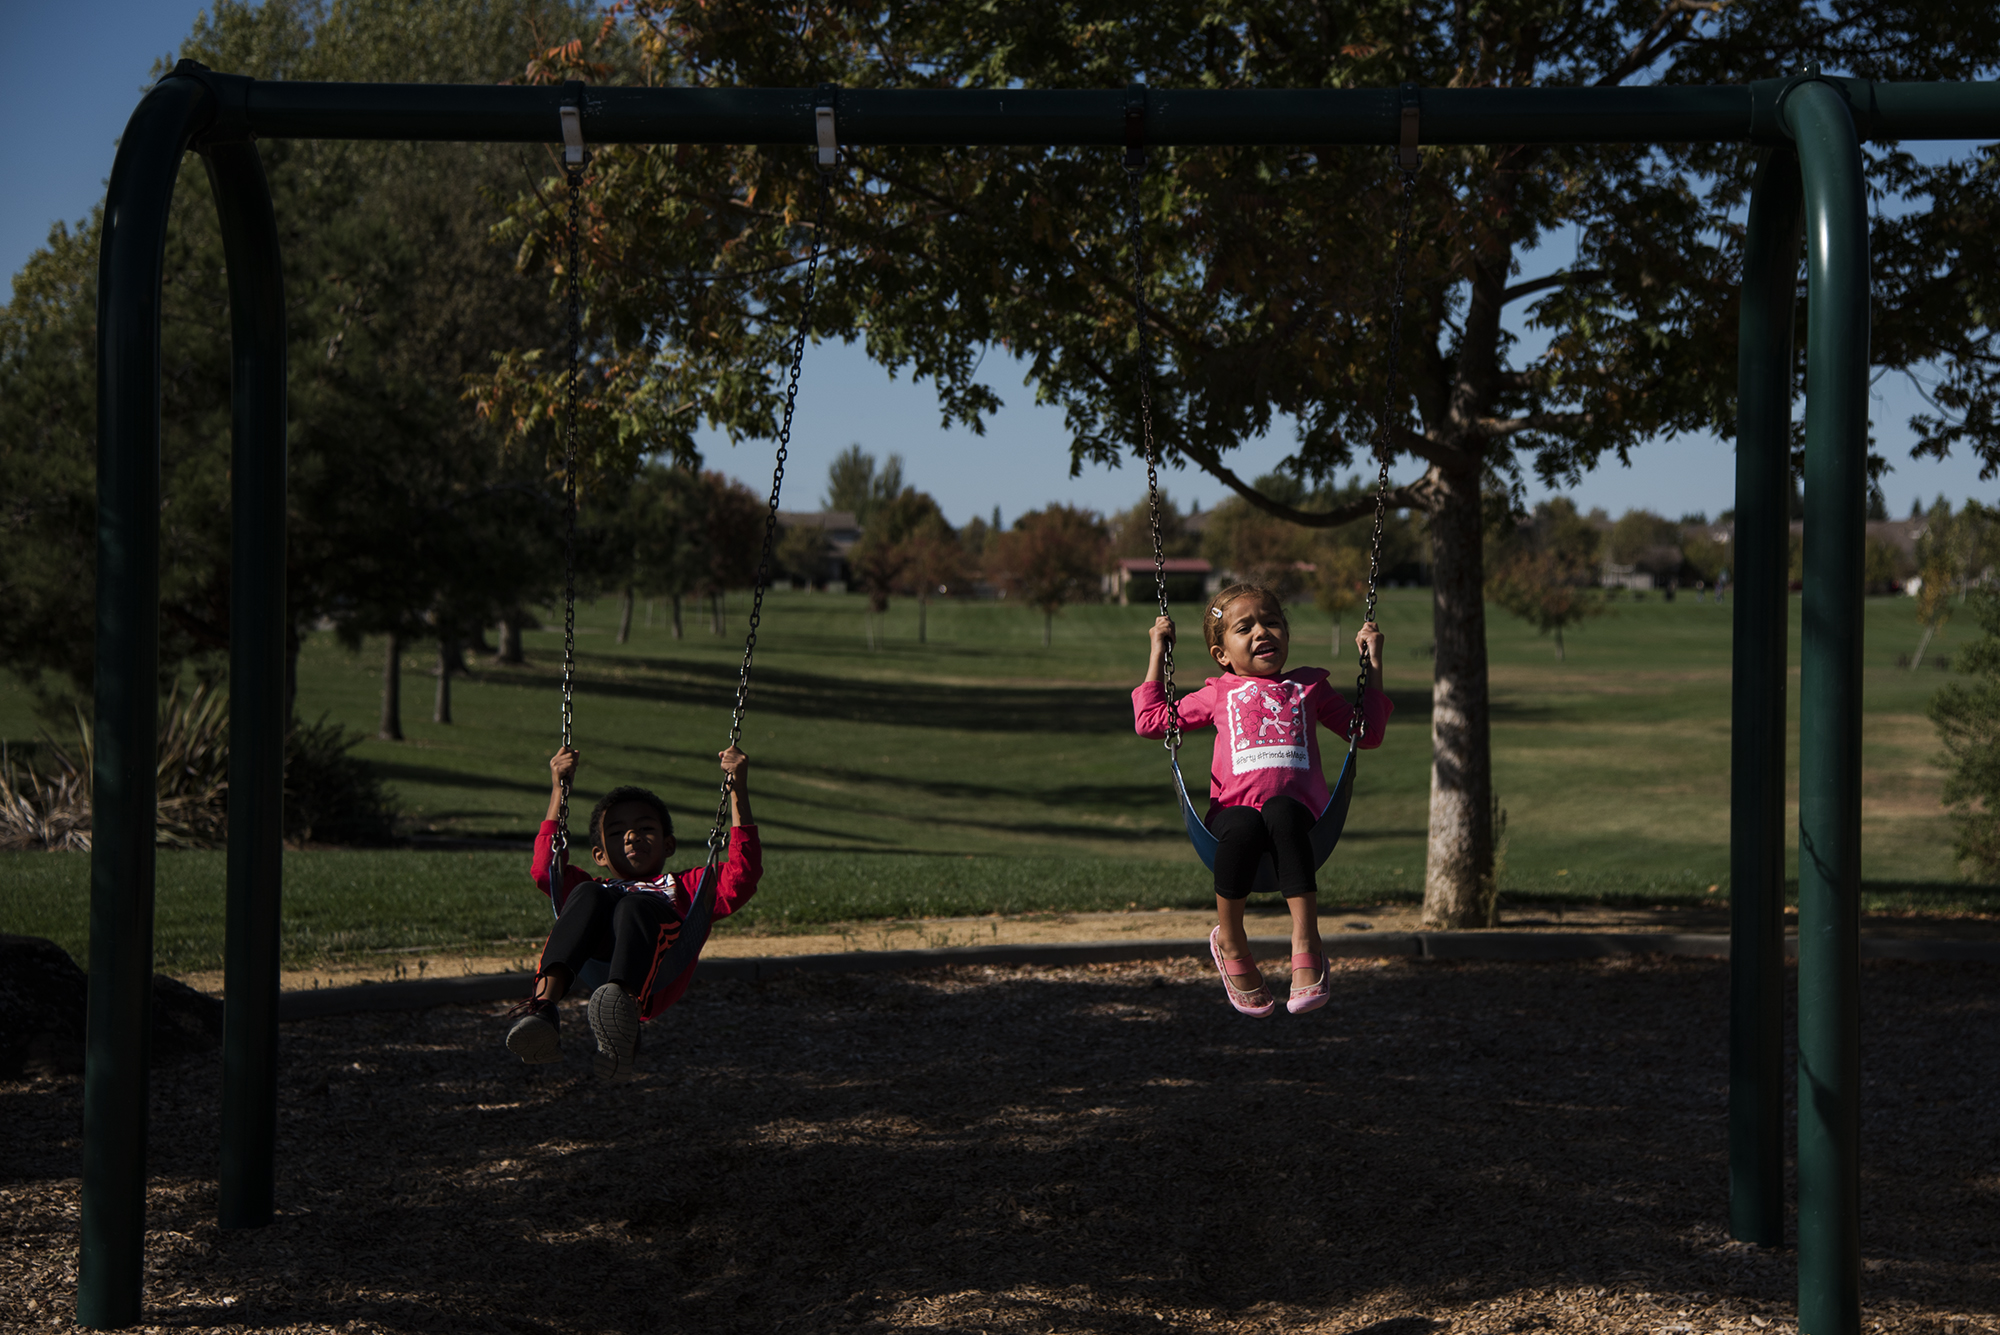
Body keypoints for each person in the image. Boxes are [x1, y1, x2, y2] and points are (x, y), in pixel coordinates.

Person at [1133, 583, 1392, 1018]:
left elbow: (1365, 733)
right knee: (1243, 823)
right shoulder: (1219, 691)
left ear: (1287, 636)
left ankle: (1306, 940)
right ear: (1221, 654)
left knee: (1279, 811)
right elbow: (1151, 721)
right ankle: (1231, 940)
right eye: (1245, 627)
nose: (1262, 632)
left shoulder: (1310, 687)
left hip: (1300, 823)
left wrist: (1374, 660)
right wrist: (1159, 650)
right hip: (1232, 823)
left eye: (1272, 622)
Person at [504, 744, 760, 1076]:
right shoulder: (596, 889)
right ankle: (542, 1010)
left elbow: (742, 875)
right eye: (616, 833)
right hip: (602, 956)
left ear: (669, 844)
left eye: (645, 828)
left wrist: (737, 788)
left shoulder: (687, 885)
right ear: (599, 854)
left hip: (656, 964)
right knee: (587, 893)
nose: (631, 836)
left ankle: (620, 1014)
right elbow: (545, 871)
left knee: (635, 904)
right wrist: (558, 790)